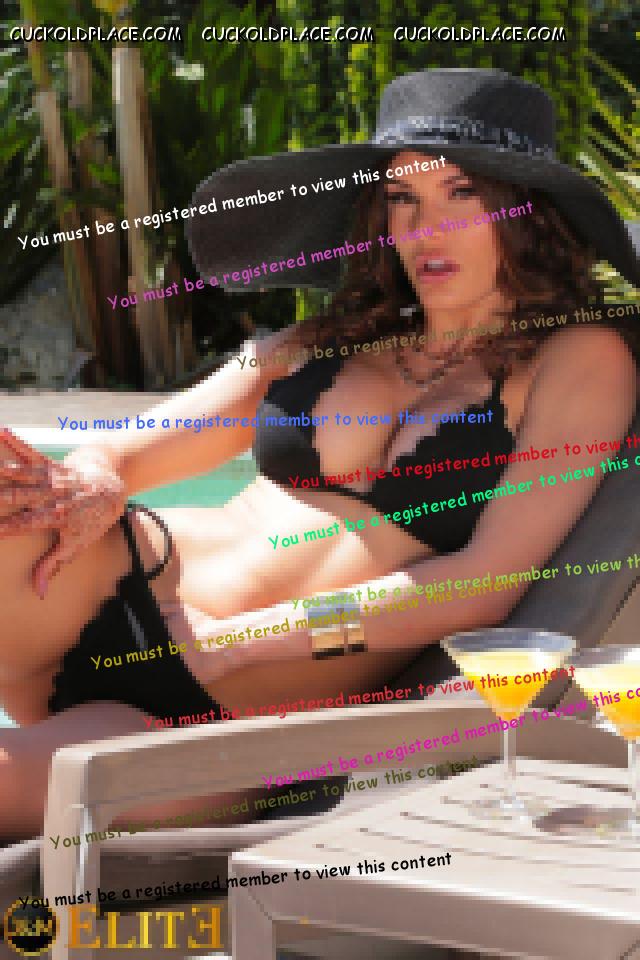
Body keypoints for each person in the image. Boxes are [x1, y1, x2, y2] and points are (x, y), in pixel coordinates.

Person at [0, 67, 638, 839]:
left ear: (527, 214)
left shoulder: (577, 357)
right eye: (402, 197)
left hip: (228, 705)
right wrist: (91, 480)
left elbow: (485, 584)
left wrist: (241, 642)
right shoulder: (328, 338)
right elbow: (126, 451)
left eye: (461, 193)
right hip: (118, 572)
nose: (425, 227)